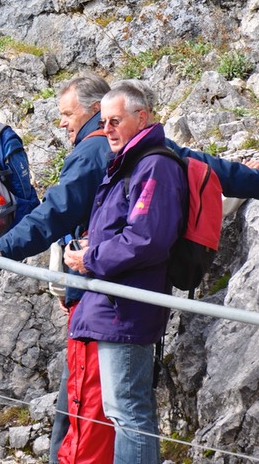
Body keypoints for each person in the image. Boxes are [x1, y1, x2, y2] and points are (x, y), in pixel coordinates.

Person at [0, 74, 259, 464]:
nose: (66, 124)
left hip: (113, 300)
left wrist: (3, 248)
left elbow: (59, 215)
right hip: (106, 300)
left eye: (69, 114)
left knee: (104, 410)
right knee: (105, 409)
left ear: (135, 116)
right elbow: (202, 164)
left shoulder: (107, 154)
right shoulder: (135, 153)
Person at [61, 80, 188, 463]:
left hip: (125, 307)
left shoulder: (153, 165)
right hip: (117, 303)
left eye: (115, 121)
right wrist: (92, 247)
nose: (108, 130)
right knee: (124, 410)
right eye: (103, 122)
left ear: (142, 117)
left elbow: (147, 238)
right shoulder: (134, 163)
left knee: (127, 411)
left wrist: (91, 258)